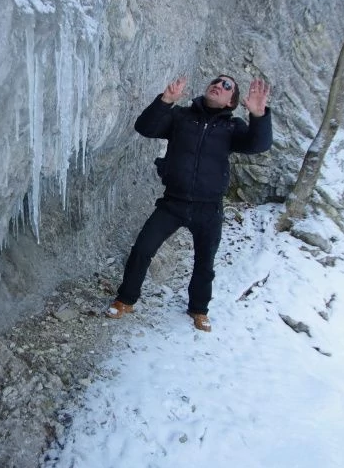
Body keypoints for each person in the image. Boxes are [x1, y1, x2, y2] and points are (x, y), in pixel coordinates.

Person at [106, 74, 273, 331]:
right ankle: (125, 300)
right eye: (216, 81)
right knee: (142, 250)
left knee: (204, 264)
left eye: (226, 85)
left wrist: (259, 117)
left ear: (231, 102)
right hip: (173, 203)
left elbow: (258, 145)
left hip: (209, 209)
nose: (218, 85)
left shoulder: (233, 128)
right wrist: (165, 102)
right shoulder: (181, 117)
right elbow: (145, 128)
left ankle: (199, 309)